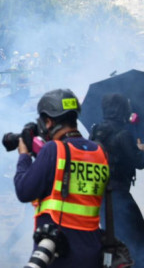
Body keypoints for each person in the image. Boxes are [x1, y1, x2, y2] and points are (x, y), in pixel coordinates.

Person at [15, 89, 109, 267]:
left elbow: (24, 191)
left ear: (48, 122)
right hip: (92, 251)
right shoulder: (100, 151)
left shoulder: (54, 150)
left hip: (59, 251)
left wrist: (24, 156)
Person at [90, 93, 144, 264]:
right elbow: (139, 162)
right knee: (138, 237)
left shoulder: (96, 131)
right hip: (118, 193)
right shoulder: (123, 134)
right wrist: (141, 149)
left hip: (100, 196)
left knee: (112, 238)